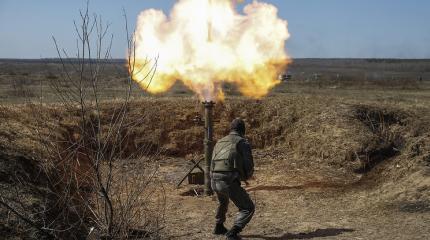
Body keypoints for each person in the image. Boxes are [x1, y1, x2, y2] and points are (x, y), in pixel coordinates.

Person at [211, 118, 255, 240]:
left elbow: (211, 163)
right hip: (228, 181)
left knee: (223, 202)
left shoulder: (219, 142)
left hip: (214, 180)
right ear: (243, 130)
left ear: (231, 129)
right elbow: (248, 165)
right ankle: (233, 232)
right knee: (248, 207)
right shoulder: (242, 142)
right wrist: (247, 176)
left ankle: (219, 226)